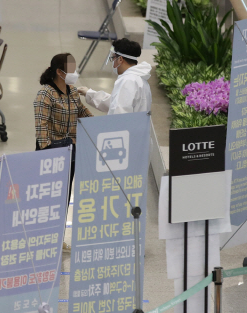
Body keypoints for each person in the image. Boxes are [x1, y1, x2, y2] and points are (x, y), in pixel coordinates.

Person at [34, 53, 93, 252]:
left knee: (64, 196)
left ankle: (57, 239)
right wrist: (49, 156)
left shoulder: (73, 92)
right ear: (60, 72)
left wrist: (101, 125)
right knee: (49, 200)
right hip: (52, 155)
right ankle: (43, 239)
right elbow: (41, 130)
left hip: (71, 152)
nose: (75, 73)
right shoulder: (45, 94)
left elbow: (82, 112)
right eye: (72, 69)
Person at [78, 39, 152, 115]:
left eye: (113, 58)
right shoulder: (139, 79)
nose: (112, 62)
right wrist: (89, 93)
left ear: (120, 59)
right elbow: (115, 102)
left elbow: (119, 113)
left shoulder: (128, 81)